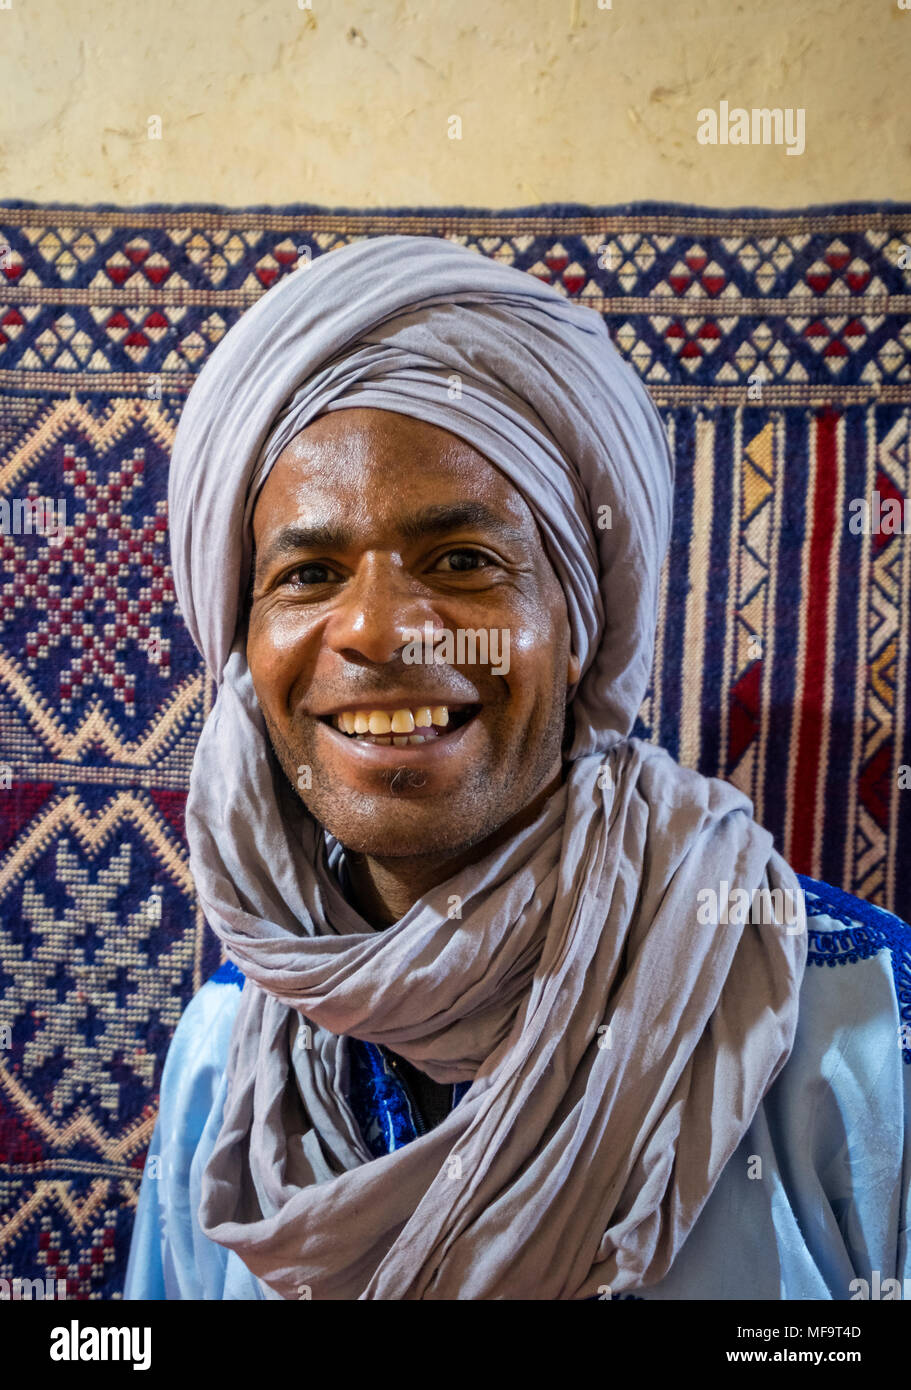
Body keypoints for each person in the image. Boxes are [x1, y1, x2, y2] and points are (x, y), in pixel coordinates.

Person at [124, 235, 910, 1301]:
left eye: (462, 562)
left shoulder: (848, 1017)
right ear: (245, 649)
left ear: (578, 623)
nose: (377, 629)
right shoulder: (225, 1051)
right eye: (308, 573)